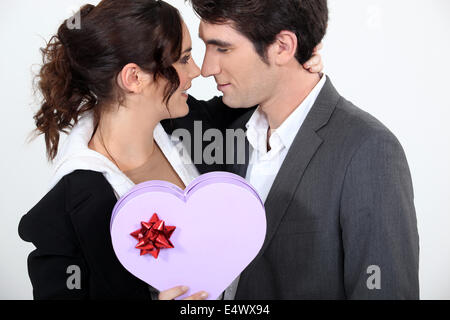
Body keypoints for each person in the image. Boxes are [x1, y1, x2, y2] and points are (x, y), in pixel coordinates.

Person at [17, 0, 323, 300]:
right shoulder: (61, 218)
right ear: (134, 78)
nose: (198, 71)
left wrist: (293, 70)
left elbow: (253, 95)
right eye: (184, 59)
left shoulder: (194, 125)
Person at [168, 0, 420, 299]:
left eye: (223, 48)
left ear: (283, 46)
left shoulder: (367, 149)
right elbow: (141, 103)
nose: (207, 68)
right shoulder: (226, 129)